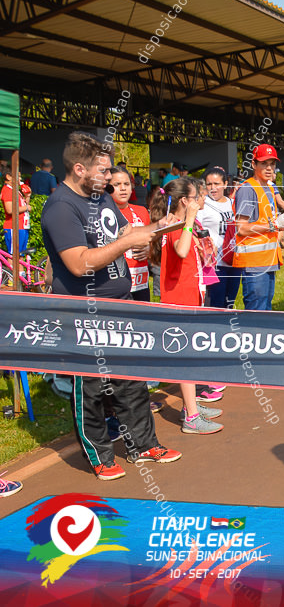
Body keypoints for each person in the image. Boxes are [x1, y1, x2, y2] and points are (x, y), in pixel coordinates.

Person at [41, 132, 181, 480]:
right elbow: (79, 263)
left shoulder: (100, 199)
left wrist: (156, 230)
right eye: (103, 171)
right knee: (89, 388)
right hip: (83, 313)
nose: (109, 177)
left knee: (130, 381)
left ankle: (143, 444)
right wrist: (127, 242)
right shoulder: (61, 207)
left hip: (119, 304)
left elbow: (120, 240)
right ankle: (100, 455)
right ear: (79, 169)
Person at [150, 178, 224, 434]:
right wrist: (189, 221)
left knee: (191, 354)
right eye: (195, 197)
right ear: (184, 201)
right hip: (178, 298)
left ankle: (189, 407)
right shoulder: (175, 225)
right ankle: (191, 418)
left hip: (191, 293)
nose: (198, 201)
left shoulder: (184, 224)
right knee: (186, 358)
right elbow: (181, 251)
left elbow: (193, 256)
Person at [224, 144, 284, 310]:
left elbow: (264, 222)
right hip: (255, 263)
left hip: (267, 260)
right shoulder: (248, 189)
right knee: (256, 314)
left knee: (265, 312)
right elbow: (241, 228)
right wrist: (274, 225)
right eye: (264, 163)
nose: (269, 168)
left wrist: (282, 227)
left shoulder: (268, 188)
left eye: (272, 164)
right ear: (253, 164)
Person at [197, 167, 239, 308]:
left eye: (216, 184)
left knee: (230, 303)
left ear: (226, 184)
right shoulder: (203, 205)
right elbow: (195, 229)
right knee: (216, 303)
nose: (213, 188)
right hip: (215, 264)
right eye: (209, 184)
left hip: (233, 261)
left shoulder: (232, 203)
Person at [108, 166, 151, 302]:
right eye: (117, 184)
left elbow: (151, 241)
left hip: (141, 281)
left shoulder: (142, 211)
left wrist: (149, 250)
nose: (123, 188)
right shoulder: (103, 213)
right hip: (116, 282)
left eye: (126, 184)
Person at [2, 167, 31, 253]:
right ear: (8, 177)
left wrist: (27, 196)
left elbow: (24, 205)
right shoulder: (7, 190)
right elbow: (10, 210)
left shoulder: (16, 190)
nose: (20, 179)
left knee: (20, 256)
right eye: (18, 176)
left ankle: (20, 267)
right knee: (14, 255)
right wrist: (26, 208)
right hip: (13, 227)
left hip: (22, 226)